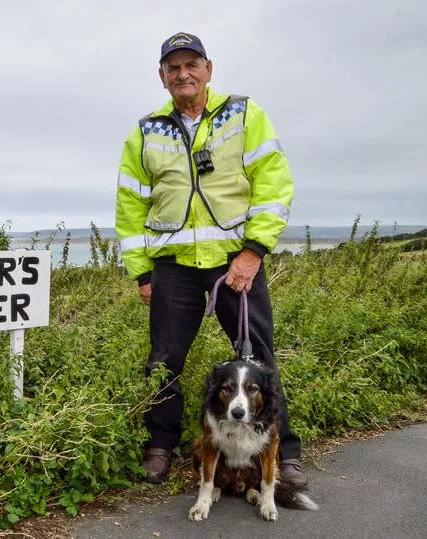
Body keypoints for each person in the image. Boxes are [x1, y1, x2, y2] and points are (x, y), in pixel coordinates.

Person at [114, 31, 307, 487]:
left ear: (208, 70)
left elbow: (274, 184)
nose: (183, 74)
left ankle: (284, 455)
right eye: (173, 68)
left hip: (235, 262)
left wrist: (254, 250)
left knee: (259, 358)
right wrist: (142, 272)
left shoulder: (243, 113)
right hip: (173, 268)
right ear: (163, 78)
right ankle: (160, 446)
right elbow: (130, 207)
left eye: (191, 65)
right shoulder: (145, 131)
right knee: (163, 362)